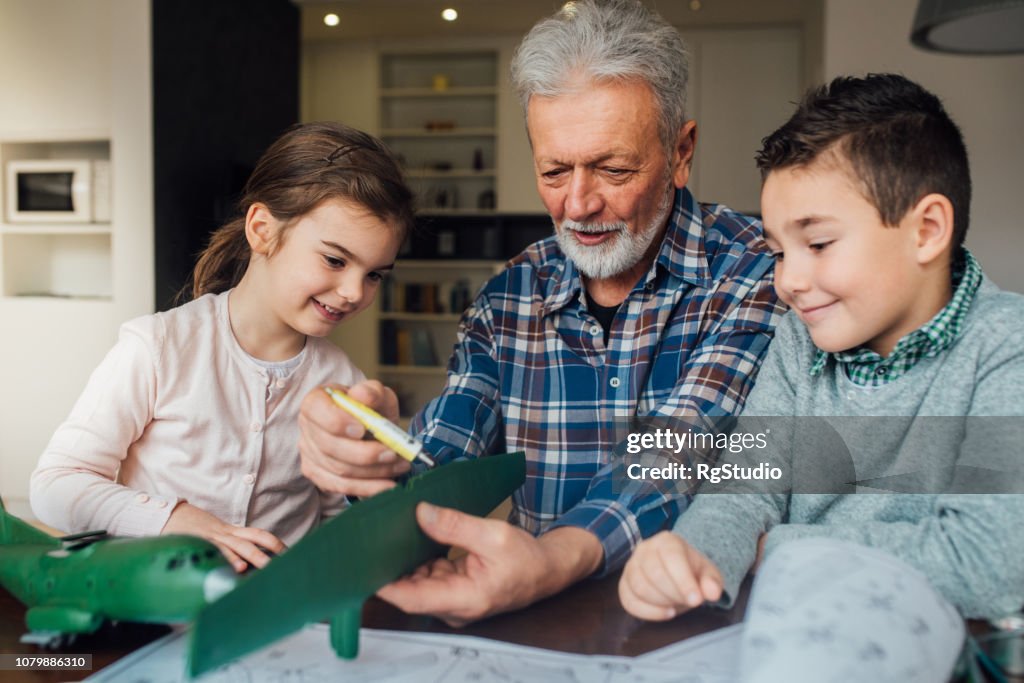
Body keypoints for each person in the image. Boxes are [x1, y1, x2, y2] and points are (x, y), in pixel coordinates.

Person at [298, 0, 783, 624]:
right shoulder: (509, 295)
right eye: (554, 170)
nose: (577, 204)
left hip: (702, 629)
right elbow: (444, 457)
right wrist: (371, 455)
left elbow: (676, 453)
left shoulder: (756, 270)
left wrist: (551, 559)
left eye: (613, 169)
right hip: (531, 630)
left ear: (681, 152)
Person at [619, 74, 1024, 678]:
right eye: (780, 251)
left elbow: (988, 562)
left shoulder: (1006, 345)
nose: (788, 281)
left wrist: (778, 549)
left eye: (819, 243)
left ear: (927, 230)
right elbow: (744, 489)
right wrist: (691, 554)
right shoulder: (797, 338)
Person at [30, 122, 415, 573]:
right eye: (335, 259)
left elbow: (334, 513)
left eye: (374, 274)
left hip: (277, 614)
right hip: (154, 607)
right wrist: (176, 518)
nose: (354, 292)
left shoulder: (343, 383)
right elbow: (54, 486)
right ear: (262, 230)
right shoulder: (156, 347)